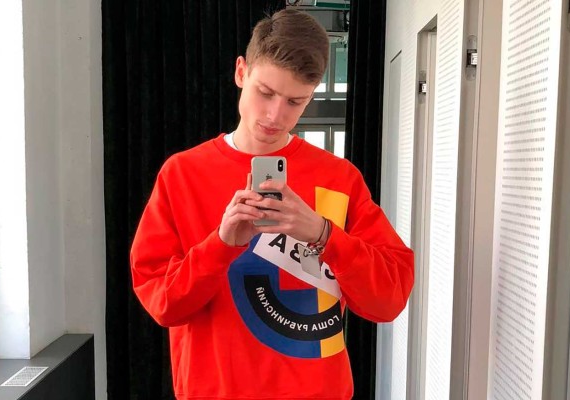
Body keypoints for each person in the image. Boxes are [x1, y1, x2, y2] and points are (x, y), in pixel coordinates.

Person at [130, 8, 414, 400]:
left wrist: (323, 233)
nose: (275, 116)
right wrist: (221, 244)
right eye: (265, 93)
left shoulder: (340, 179)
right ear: (241, 72)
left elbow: (389, 300)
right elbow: (162, 304)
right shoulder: (181, 175)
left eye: (295, 101)